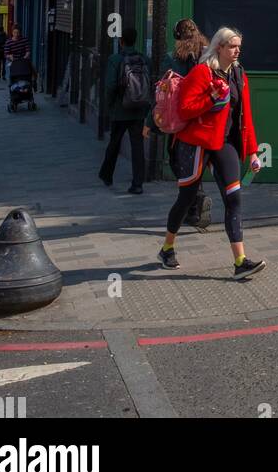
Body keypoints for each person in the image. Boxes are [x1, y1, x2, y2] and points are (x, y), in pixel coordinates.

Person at [158, 26, 266, 280]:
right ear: (219, 47)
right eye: (232, 46)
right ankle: (167, 247)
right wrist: (211, 99)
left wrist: (252, 152)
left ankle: (240, 262)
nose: (237, 50)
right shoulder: (201, 73)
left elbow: (245, 116)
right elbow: (185, 109)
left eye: (239, 46)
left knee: (234, 199)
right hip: (197, 142)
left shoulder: (239, 74)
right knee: (186, 198)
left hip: (225, 144)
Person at [143, 19, 212, 230]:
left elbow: (161, 95)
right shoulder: (208, 56)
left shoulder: (173, 59)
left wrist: (149, 123)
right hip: (203, 116)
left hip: (179, 120)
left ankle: (195, 201)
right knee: (197, 161)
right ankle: (195, 204)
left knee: (177, 162)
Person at [98, 26, 150, 194]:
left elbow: (111, 85)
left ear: (121, 41)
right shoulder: (143, 59)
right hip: (139, 109)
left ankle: (107, 175)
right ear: (135, 40)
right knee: (137, 146)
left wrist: (110, 104)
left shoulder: (115, 59)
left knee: (115, 142)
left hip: (120, 109)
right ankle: (138, 183)